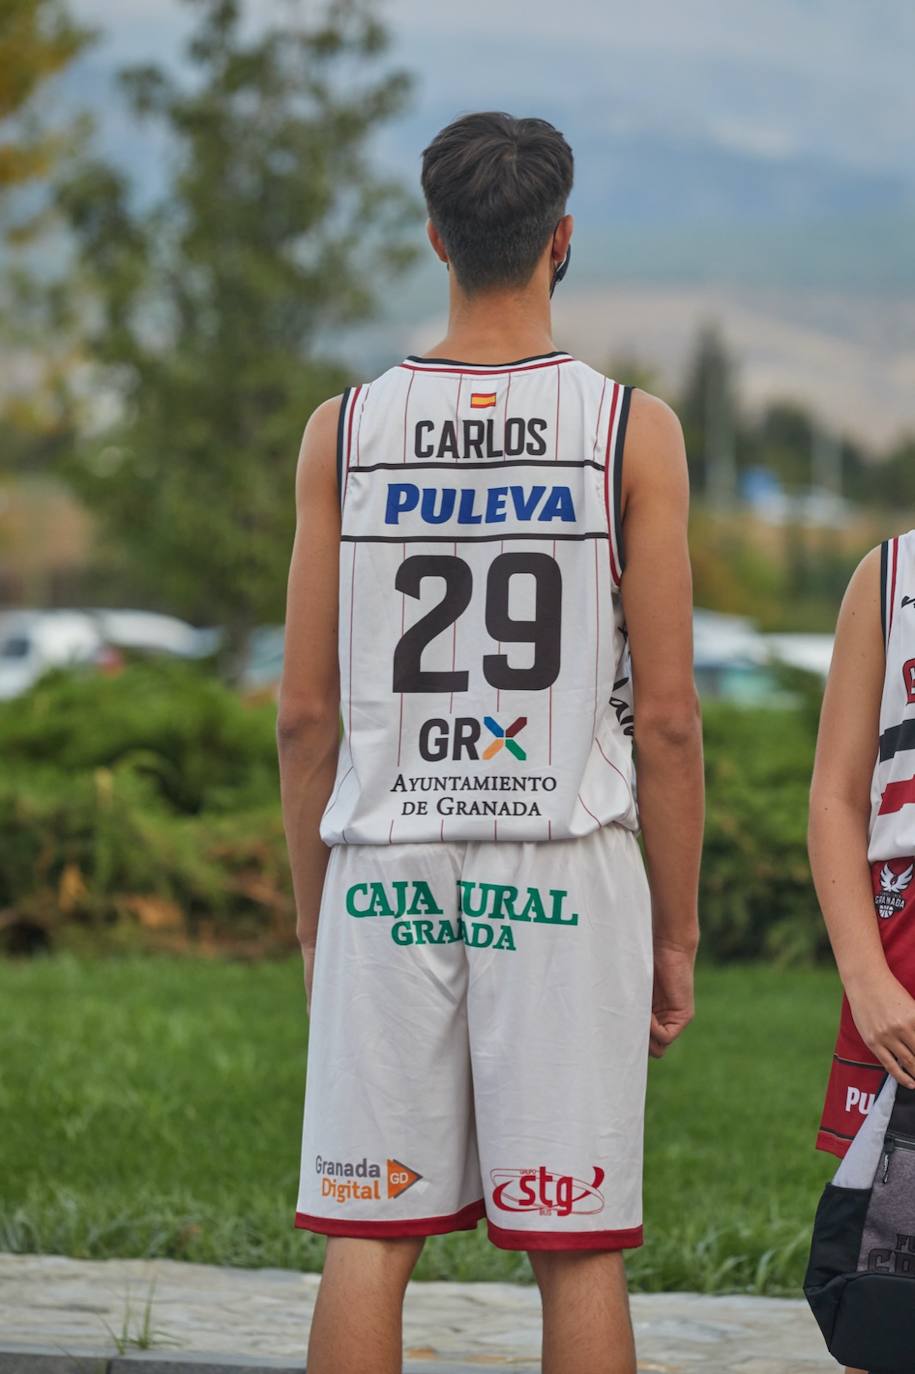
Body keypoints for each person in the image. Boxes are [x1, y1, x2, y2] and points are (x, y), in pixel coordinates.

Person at [276, 111, 703, 1374]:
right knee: (577, 1253)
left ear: (435, 240)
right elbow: (669, 721)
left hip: (388, 867)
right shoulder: (633, 430)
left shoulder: (340, 432)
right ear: (561, 241)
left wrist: (316, 918)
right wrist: (675, 936)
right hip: (565, 868)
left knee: (368, 1234)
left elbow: (303, 715)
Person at [810, 531, 915, 1374]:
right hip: (900, 946)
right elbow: (835, 796)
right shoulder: (888, 573)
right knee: (885, 1303)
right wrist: (865, 977)